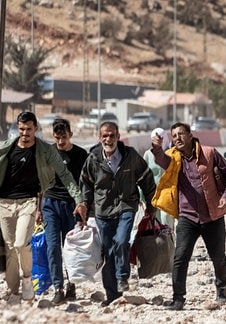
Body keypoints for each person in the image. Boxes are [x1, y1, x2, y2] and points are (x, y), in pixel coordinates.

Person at [0, 111, 87, 305]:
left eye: (29, 129)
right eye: (21, 129)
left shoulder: (47, 151)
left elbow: (66, 175)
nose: (25, 133)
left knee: (25, 244)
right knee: (14, 248)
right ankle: (17, 290)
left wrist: (80, 200)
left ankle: (36, 279)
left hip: (35, 202)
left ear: (35, 129)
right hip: (12, 203)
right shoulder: (7, 147)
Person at [151, 122, 226, 311]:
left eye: (181, 134)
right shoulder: (173, 157)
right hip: (187, 217)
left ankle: (221, 287)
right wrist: (157, 148)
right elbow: (162, 161)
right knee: (180, 257)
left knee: (218, 258)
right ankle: (178, 298)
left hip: (212, 216)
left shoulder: (209, 153)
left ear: (190, 136)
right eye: (174, 136)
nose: (177, 138)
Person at [79, 121, 156, 306]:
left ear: (118, 137)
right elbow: (86, 184)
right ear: (99, 138)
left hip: (126, 206)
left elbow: (146, 178)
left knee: (121, 240)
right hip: (103, 211)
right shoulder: (93, 159)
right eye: (105, 135)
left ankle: (122, 276)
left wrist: (151, 205)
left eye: (112, 135)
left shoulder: (130, 156)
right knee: (108, 253)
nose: (109, 139)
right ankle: (112, 295)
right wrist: (83, 205)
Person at [39, 118, 88, 305]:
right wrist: (38, 208)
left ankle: (71, 284)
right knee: (53, 247)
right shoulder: (48, 154)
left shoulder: (80, 155)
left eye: (64, 137)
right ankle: (58, 287)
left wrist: (84, 207)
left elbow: (85, 183)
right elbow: (40, 182)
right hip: (51, 203)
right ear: (54, 136)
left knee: (70, 248)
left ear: (71, 135)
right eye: (58, 138)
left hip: (71, 205)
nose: (61, 142)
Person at [142, 128, 174, 230]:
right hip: (153, 195)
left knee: (166, 221)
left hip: (167, 194)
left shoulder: (172, 153)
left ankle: (170, 244)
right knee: (156, 224)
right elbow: (143, 175)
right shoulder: (148, 154)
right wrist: (141, 196)